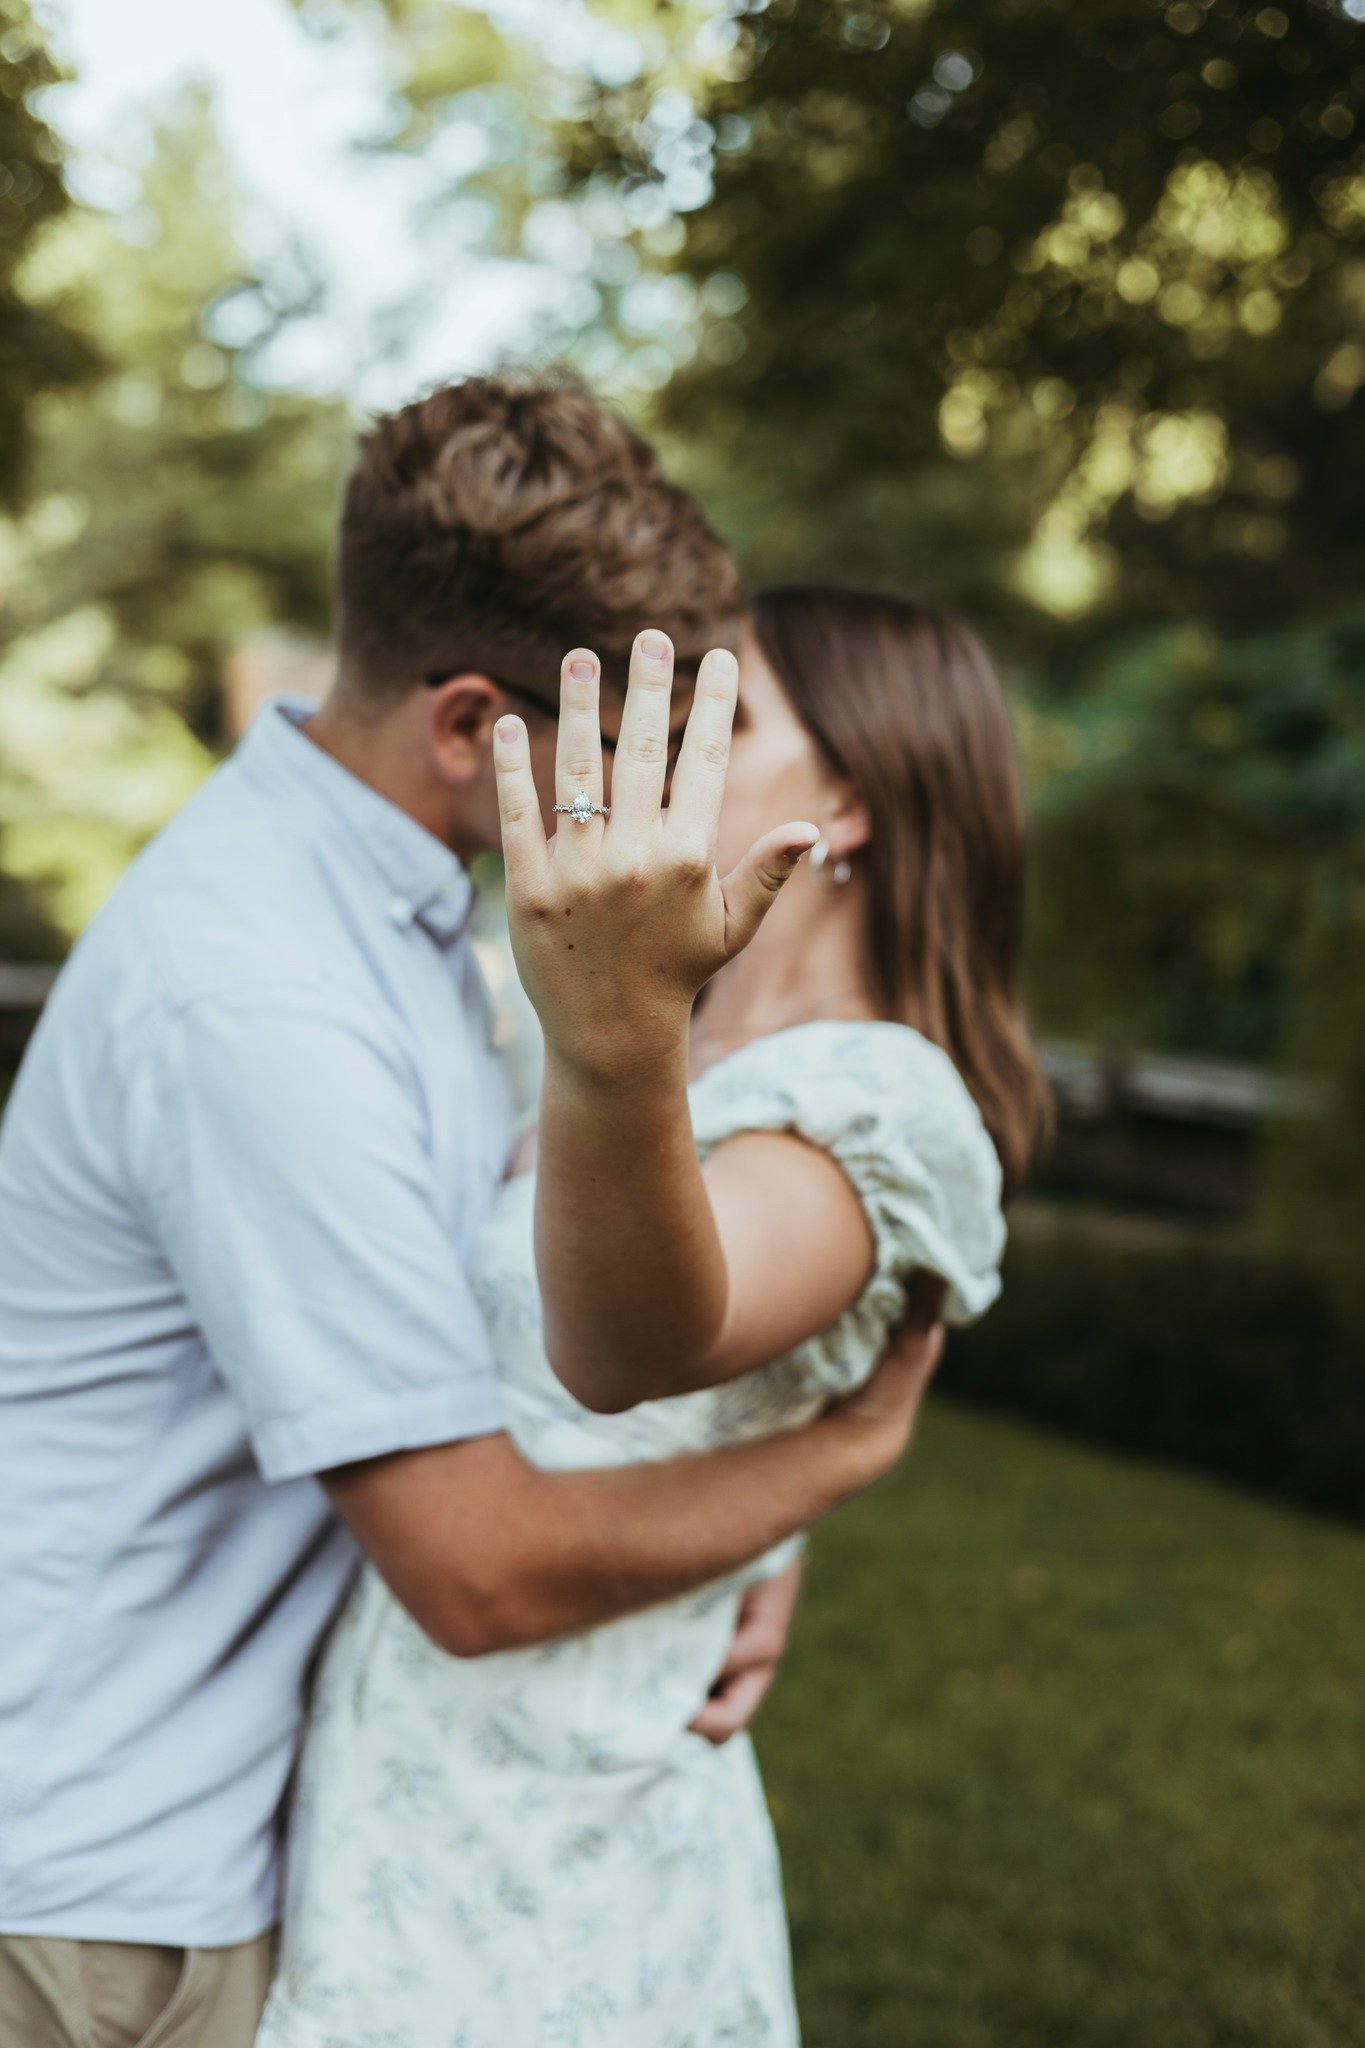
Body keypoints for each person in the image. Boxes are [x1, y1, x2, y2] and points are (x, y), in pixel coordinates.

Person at [0, 378, 936, 2048]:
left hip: (214, 1854)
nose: (657, 793)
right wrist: (826, 1464)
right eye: (637, 737)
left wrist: (735, 1547)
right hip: (100, 1907)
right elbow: (479, 1568)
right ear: (471, 733)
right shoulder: (261, 989)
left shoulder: (414, 929)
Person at [256, 587, 1048, 2046]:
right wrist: (790, 1493)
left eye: (719, 720)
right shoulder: (663, 1054)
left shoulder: (883, 1101)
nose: (649, 748)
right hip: (406, 1803)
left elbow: (629, 1351)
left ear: (853, 800)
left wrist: (612, 1047)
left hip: (561, 1861)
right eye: (653, 709)